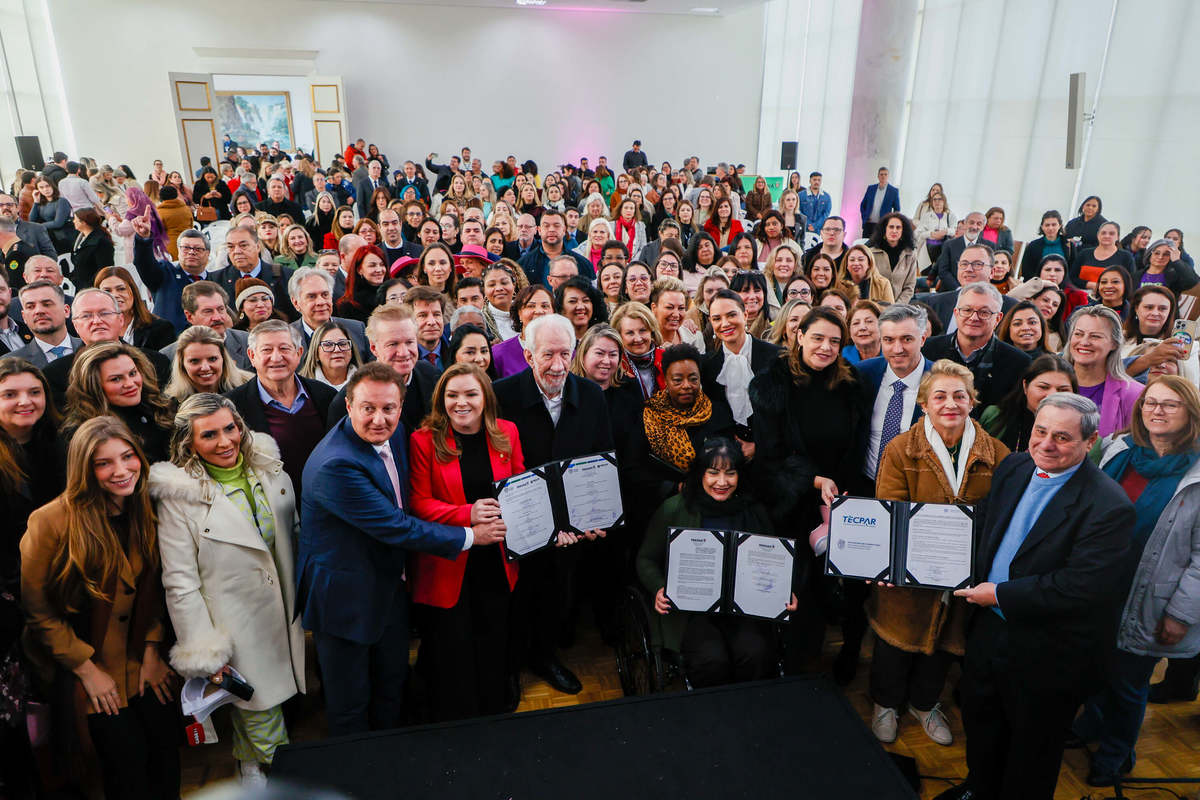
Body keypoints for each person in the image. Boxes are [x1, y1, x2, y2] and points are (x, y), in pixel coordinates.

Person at [938, 394, 1134, 800]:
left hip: (1048, 649)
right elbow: (983, 525)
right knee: (981, 723)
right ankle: (979, 789)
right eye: (1040, 432)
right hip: (989, 630)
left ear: (1091, 440)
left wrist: (1001, 595)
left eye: (1062, 437)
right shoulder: (1015, 465)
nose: (1045, 444)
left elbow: (1080, 587)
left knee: (1032, 750)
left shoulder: (1109, 505)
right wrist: (916, 562)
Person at [298, 362, 505, 735]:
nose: (379, 419)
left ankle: (393, 761)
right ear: (348, 406)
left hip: (388, 585)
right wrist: (472, 535)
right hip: (344, 599)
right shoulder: (336, 464)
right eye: (368, 408)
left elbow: (409, 499)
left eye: (389, 408)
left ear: (401, 405)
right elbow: (396, 527)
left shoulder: (393, 435)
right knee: (350, 704)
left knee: (391, 684)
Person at [150, 394, 305, 785]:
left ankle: (248, 769)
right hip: (235, 628)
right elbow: (180, 582)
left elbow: (295, 539)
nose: (225, 442)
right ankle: (278, 781)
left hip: (284, 617)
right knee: (262, 711)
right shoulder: (178, 498)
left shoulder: (272, 471)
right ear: (189, 442)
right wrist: (204, 647)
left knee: (259, 706)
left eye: (230, 428)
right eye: (209, 435)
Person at [21, 416, 179, 799]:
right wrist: (85, 669)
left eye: (128, 456)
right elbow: (38, 610)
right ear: (83, 468)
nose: (121, 471)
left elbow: (158, 587)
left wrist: (154, 649)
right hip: (90, 671)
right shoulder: (50, 521)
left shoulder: (147, 507)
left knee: (166, 768)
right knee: (124, 774)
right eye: (103, 463)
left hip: (144, 665)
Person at [869, 360, 1010, 746]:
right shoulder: (901, 449)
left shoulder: (995, 452)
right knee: (895, 643)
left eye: (959, 396)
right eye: (940, 396)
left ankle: (924, 703)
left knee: (944, 646)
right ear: (924, 404)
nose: (950, 403)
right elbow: (891, 509)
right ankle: (886, 703)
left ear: (972, 401)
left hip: (963, 574)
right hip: (908, 572)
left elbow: (999, 514)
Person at [1072, 377, 1200, 786]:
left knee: (1128, 682)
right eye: (1151, 403)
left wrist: (1180, 614)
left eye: (1170, 405)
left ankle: (1116, 752)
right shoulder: (1119, 450)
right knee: (1094, 667)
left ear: (1191, 415)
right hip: (1097, 587)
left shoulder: (1196, 474)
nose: (1157, 411)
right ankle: (1092, 724)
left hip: (1150, 596)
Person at [493, 314, 614, 696]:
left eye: (565, 353)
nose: (558, 365)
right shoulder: (501, 395)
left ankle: (544, 656)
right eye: (547, 355)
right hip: (517, 522)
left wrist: (595, 518)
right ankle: (508, 666)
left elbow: (602, 459)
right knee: (513, 596)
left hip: (571, 524)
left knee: (556, 593)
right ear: (527, 354)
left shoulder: (591, 395)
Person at [749, 306, 870, 676]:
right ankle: (791, 662)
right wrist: (813, 481)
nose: (826, 347)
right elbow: (769, 454)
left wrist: (843, 491)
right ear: (798, 335)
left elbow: (857, 445)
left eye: (835, 341)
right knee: (796, 589)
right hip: (788, 499)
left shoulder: (851, 385)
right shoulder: (772, 384)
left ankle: (838, 655)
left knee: (841, 586)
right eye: (817, 337)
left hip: (839, 500)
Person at [408, 364, 521, 721]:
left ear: (485, 397)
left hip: (497, 557)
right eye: (452, 395)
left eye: (471, 394)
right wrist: (467, 513)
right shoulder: (423, 440)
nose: (461, 403)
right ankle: (458, 713)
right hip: (449, 561)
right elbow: (419, 504)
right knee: (452, 643)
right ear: (441, 400)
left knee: (493, 634)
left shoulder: (507, 433)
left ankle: (493, 704)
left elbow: (521, 487)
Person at [637, 437, 795, 687]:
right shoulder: (674, 508)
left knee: (755, 653)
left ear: (739, 475)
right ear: (700, 473)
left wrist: (785, 591)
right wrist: (658, 587)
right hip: (692, 610)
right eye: (713, 473)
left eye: (730, 473)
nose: (722, 482)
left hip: (744, 607)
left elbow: (774, 561)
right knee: (711, 659)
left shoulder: (753, 510)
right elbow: (646, 559)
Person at [224, 319, 336, 497]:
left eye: (284, 349)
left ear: (299, 353)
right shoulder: (232, 407)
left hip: (325, 500)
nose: (276, 357)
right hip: (269, 506)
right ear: (252, 356)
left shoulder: (326, 396)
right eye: (266, 350)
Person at [326, 304, 441, 432]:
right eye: (393, 344)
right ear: (373, 348)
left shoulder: (432, 376)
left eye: (409, 342)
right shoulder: (346, 402)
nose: (403, 352)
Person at [921, 282, 1031, 411]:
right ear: (956, 313)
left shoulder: (1019, 363)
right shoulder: (926, 350)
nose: (974, 317)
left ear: (998, 318)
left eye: (984, 312)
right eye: (967, 310)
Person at [700, 289, 781, 459]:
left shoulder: (775, 356)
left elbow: (784, 414)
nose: (725, 323)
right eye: (717, 319)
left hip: (772, 455)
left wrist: (759, 446)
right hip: (729, 459)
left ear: (744, 315)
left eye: (731, 315)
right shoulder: (708, 366)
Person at [63, 341, 173, 462]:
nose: (130, 384)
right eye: (116, 379)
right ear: (94, 386)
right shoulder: (84, 433)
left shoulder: (159, 407)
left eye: (133, 373)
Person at [1063, 305, 1143, 437]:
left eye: (1095, 336)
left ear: (1114, 343)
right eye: (1078, 334)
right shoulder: (1049, 383)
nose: (1084, 342)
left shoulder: (1134, 394)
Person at [979, 354, 1077, 452]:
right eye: (1043, 387)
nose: (1052, 395)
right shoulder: (995, 416)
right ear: (1025, 386)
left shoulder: (1081, 427)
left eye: (1063, 390)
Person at [1122, 285, 1199, 383]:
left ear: (1170, 312)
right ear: (1136, 309)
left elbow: (1192, 384)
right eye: (1149, 307)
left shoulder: (1190, 346)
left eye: (1162, 309)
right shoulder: (1118, 340)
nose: (1155, 313)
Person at [163, 324, 251, 403]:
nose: (205, 367)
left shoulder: (250, 388)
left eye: (212, 359)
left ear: (223, 358)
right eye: (194, 361)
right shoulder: (169, 403)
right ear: (182, 364)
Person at [95, 266, 176, 350]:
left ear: (133, 292)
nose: (115, 295)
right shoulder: (93, 329)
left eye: (121, 289)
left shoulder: (161, 329)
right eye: (107, 291)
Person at [867, 212, 918, 303]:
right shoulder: (871, 252)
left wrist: (896, 307)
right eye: (891, 227)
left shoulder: (910, 254)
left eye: (898, 227)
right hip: (875, 305)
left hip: (899, 307)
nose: (894, 231)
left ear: (903, 231)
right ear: (884, 229)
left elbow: (909, 287)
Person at [299, 320, 363, 391]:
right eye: (328, 345)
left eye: (342, 344)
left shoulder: (367, 382)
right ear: (316, 353)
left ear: (351, 349)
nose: (337, 350)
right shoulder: (301, 386)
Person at [1070, 221, 1134, 292]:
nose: (1107, 236)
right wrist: (1092, 285)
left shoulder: (1126, 257)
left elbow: (1130, 282)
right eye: (1103, 233)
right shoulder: (1084, 253)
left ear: (1118, 237)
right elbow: (1072, 277)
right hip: (1082, 297)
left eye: (1111, 233)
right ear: (1098, 235)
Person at [931, 211, 987, 290]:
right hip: (951, 290)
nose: (974, 227)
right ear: (965, 224)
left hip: (979, 292)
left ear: (983, 227)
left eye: (979, 224)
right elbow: (943, 271)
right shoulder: (949, 244)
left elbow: (988, 271)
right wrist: (958, 288)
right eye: (971, 223)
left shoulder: (989, 246)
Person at [334, 244, 389, 324]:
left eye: (382, 264)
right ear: (359, 270)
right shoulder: (349, 306)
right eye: (372, 265)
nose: (379, 269)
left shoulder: (393, 295)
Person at [1019, 210, 1076, 281]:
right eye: (1047, 225)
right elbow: (1026, 271)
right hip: (1038, 285)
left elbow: (1073, 270)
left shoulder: (1069, 245)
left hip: (1062, 286)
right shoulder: (1033, 246)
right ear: (1042, 227)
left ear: (1060, 226)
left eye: (1054, 225)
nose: (1050, 228)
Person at [1135, 237, 1199, 296]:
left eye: (1166, 254)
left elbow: (1192, 281)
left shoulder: (1174, 277)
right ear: (1150, 255)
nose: (1160, 257)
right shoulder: (1136, 276)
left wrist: (1177, 261)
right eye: (1157, 253)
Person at [69, 209, 114, 290]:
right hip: (80, 284)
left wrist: (88, 286)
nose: (73, 221)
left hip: (92, 287)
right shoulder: (81, 237)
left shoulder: (101, 241)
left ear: (84, 222)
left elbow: (104, 268)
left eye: (75, 219)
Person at [914, 192, 956, 275]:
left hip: (943, 250)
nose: (937, 202)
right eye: (934, 200)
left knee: (941, 274)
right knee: (926, 275)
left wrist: (945, 232)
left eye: (939, 199)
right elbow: (918, 233)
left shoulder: (950, 215)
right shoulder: (927, 216)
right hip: (928, 250)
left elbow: (955, 230)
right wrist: (931, 234)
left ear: (944, 201)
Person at [554, 276, 607, 341]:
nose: (580, 307)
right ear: (561, 308)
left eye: (586, 300)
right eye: (573, 301)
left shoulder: (605, 337)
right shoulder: (554, 339)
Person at [859, 167, 900, 238]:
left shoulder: (893, 191)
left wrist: (890, 221)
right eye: (881, 174)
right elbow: (863, 205)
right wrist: (865, 216)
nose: (883, 176)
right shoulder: (871, 188)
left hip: (882, 225)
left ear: (888, 176)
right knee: (865, 245)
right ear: (878, 176)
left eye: (885, 174)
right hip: (869, 224)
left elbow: (897, 209)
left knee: (879, 246)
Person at [843, 300, 882, 364]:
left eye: (869, 321)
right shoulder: (841, 358)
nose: (862, 328)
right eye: (856, 323)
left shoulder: (893, 355)